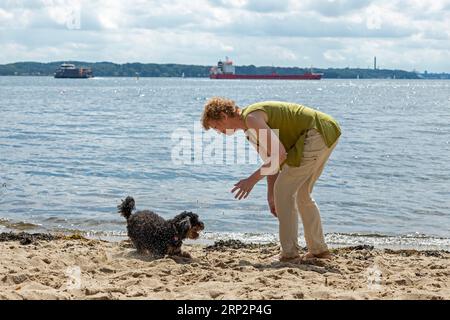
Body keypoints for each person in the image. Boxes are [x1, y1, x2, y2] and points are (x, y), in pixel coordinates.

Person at [201, 97, 341, 261]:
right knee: (301, 194)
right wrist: (271, 197)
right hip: (326, 130)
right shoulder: (249, 130)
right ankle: (319, 251)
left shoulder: (251, 118)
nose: (219, 132)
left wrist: (251, 181)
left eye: (216, 127)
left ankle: (289, 254)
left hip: (316, 132)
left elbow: (279, 155)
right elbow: (272, 162)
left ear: (224, 117)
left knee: (285, 192)